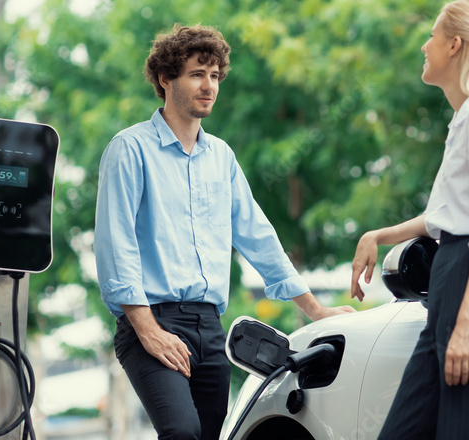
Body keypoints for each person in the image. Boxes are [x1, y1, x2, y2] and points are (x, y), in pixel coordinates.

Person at [94, 24, 353, 440]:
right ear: (165, 79)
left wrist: (316, 310)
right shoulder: (130, 149)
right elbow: (114, 243)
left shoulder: (222, 157)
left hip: (210, 327)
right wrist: (148, 329)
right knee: (182, 432)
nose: (208, 85)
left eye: (215, 76)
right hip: (150, 320)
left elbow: (257, 236)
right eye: (197, 74)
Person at [349, 1, 469, 438]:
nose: (425, 44)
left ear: (454, 45)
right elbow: (448, 215)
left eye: (433, 35)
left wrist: (467, 325)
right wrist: (380, 234)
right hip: (449, 294)